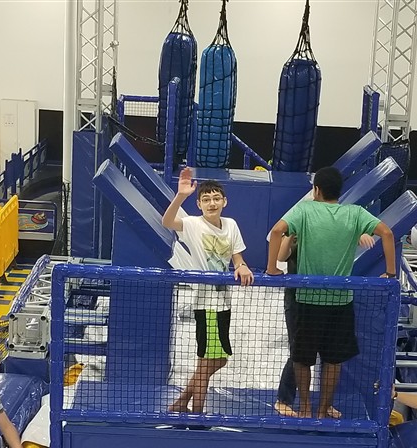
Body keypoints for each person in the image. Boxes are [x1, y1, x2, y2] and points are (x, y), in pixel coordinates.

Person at [266, 166, 397, 418]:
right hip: (340, 300)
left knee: (302, 358)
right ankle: (323, 408)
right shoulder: (355, 213)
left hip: (307, 300)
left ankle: (305, 408)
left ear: (316, 190)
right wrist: (390, 273)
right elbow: (388, 233)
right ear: (340, 190)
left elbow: (276, 231)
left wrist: (272, 269)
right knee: (334, 360)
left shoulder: (304, 210)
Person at [162, 167, 254, 413]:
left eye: (216, 198)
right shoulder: (193, 224)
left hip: (224, 301)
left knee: (218, 359)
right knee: (207, 362)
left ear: (224, 201)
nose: (211, 203)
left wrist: (242, 266)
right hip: (206, 304)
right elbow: (167, 222)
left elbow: (237, 256)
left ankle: (181, 402)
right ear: (199, 204)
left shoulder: (231, 225)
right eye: (206, 199)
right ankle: (196, 413)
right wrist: (181, 195)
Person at [272, 231, 375, 418]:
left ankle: (325, 404)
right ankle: (284, 399)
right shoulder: (296, 235)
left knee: (330, 354)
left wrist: (357, 234)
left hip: (324, 300)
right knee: (299, 352)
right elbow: (281, 255)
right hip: (297, 301)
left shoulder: (325, 236)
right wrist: (292, 234)